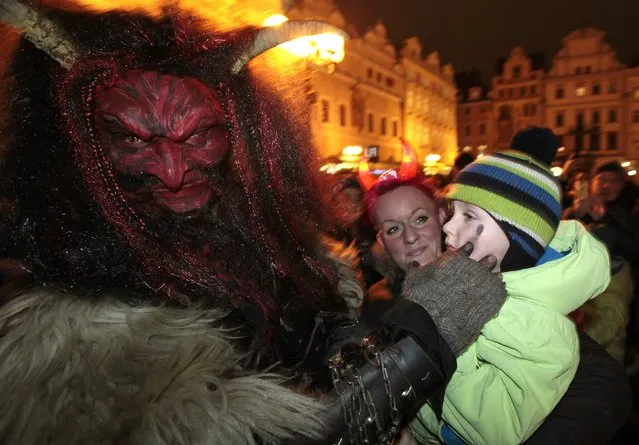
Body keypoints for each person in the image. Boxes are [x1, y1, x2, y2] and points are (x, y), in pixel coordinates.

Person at [0, 2, 507, 444]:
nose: (173, 172)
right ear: (78, 149)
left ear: (241, 137)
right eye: (133, 140)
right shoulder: (71, 326)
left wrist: (359, 334)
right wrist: (427, 336)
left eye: (198, 136)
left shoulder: (271, 248)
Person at [362, 128, 630, 445]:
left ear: (438, 215)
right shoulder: (376, 304)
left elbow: (601, 387)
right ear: (380, 240)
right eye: (393, 228)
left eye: (421, 219)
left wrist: (436, 337)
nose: (410, 237)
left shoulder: (513, 296)